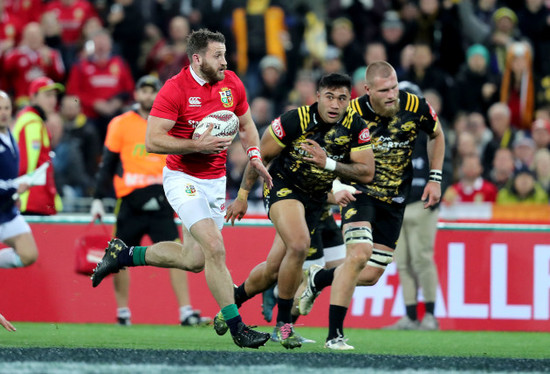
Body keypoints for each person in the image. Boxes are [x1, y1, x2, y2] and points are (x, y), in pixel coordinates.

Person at [91, 29, 272, 349]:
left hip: (215, 182)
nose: (224, 61)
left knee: (195, 260)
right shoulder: (174, 89)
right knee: (215, 247)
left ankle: (125, 254)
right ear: (197, 59)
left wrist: (254, 156)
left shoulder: (232, 83)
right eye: (218, 55)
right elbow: (152, 141)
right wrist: (194, 145)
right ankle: (236, 327)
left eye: (225, 54)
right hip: (182, 179)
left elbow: (246, 127)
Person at [298, 61, 446, 349]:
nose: (392, 95)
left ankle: (319, 278)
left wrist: (435, 177)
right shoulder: (350, 113)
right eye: (384, 90)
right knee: (358, 255)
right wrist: (336, 187)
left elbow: (437, 135)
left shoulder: (415, 106)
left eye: (394, 87)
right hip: (360, 192)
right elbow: (327, 152)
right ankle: (335, 335)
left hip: (395, 200)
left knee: (371, 274)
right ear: (367, 90)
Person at [223, 72, 375, 349]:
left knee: (272, 270)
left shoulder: (355, 127)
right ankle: (284, 325)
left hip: (316, 198)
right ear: (317, 97)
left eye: (342, 98)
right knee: (300, 244)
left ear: (349, 101)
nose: (335, 104)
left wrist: (328, 163)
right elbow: (261, 156)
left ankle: (230, 305)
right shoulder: (294, 120)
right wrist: (243, 196)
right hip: (282, 187)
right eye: (329, 96)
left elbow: (367, 172)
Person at [90, 75, 210, 327]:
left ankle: (185, 311)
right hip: (130, 199)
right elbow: (108, 163)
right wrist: (99, 198)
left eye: (152, 91)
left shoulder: (172, 123)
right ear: (136, 94)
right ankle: (123, 312)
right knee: (118, 255)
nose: (148, 95)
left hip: (162, 197)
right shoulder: (120, 123)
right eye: (143, 91)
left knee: (179, 253)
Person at [12, 76, 63, 215]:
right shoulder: (32, 123)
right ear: (33, 97)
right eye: (47, 95)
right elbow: (26, 165)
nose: (53, 100)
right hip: (31, 201)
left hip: (36, 200)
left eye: (54, 95)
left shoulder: (32, 119)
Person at [0, 90, 38, 269]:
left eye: (7, 108)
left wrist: (14, 193)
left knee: (28, 254)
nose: (4, 113)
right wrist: (14, 188)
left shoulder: (10, 135)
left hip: (6, 209)